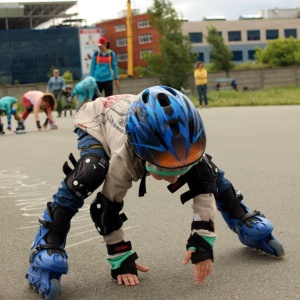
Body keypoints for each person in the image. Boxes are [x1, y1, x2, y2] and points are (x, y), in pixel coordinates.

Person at [25, 86, 284, 299]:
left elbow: (204, 189)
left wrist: (203, 240)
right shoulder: (124, 159)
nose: (176, 175)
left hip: (138, 118)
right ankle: (49, 239)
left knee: (208, 172)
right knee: (89, 173)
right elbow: (106, 207)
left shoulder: (188, 146)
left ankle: (241, 217)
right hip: (98, 121)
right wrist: (120, 256)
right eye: (164, 163)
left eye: (186, 162)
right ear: (140, 152)